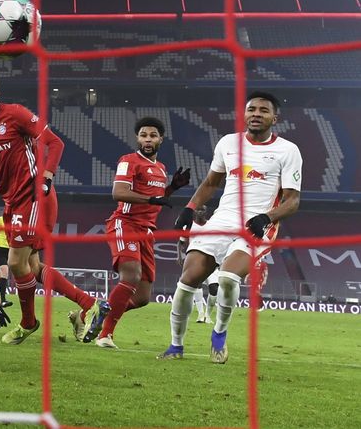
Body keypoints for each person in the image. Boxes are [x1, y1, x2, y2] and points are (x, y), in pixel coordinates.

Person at [0, 68, 109, 345]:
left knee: (15, 263)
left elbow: (55, 142)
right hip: (11, 201)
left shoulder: (15, 114)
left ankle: (29, 322)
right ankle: (90, 304)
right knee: (33, 266)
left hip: (33, 196)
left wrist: (47, 178)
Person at [159, 91, 302, 363]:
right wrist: (189, 209)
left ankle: (219, 334)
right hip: (222, 219)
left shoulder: (287, 150)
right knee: (187, 282)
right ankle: (176, 347)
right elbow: (211, 183)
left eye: (263, 110)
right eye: (251, 109)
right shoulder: (228, 143)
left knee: (227, 278)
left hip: (257, 224)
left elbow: (292, 200)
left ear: (275, 118)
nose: (256, 114)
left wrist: (267, 217)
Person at [88, 117, 190, 349]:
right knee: (131, 276)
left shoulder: (161, 168)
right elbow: (119, 192)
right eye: (143, 135)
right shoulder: (128, 161)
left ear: (161, 139)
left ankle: (92, 314)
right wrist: (152, 198)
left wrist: (172, 188)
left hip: (146, 231)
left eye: (153, 136)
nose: (148, 140)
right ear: (137, 138)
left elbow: (158, 200)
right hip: (125, 223)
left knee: (142, 297)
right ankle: (105, 334)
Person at [178, 205, 216, 324]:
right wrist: (180, 256)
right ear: (194, 212)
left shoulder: (212, 225)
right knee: (197, 285)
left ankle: (208, 315)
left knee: (214, 289)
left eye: (202, 210)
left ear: (206, 211)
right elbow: (181, 242)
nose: (199, 212)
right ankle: (200, 314)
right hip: (195, 259)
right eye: (197, 210)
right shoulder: (189, 226)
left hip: (210, 258)